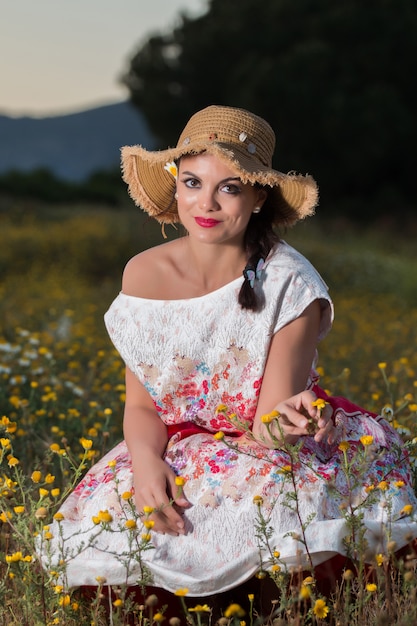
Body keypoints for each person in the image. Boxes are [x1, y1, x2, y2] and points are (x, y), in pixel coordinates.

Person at [43, 105, 417, 612]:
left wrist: (294, 421)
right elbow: (143, 407)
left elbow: (267, 427)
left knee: (267, 520)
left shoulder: (290, 282)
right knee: (124, 522)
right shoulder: (141, 277)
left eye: (230, 187)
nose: (207, 204)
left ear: (259, 196)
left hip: (270, 448)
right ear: (175, 185)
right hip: (175, 444)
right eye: (193, 183)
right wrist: (148, 462)